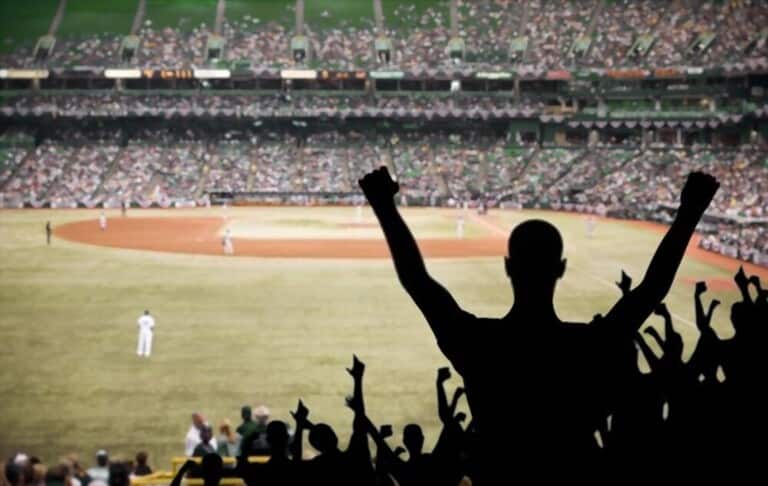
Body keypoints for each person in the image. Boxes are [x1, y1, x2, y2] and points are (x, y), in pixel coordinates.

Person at [358, 166, 719, 481]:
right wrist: (690, 212)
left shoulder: (479, 343)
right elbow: (652, 289)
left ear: (509, 267)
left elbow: (417, 281)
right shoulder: (588, 346)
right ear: (560, 268)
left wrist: (384, 205)